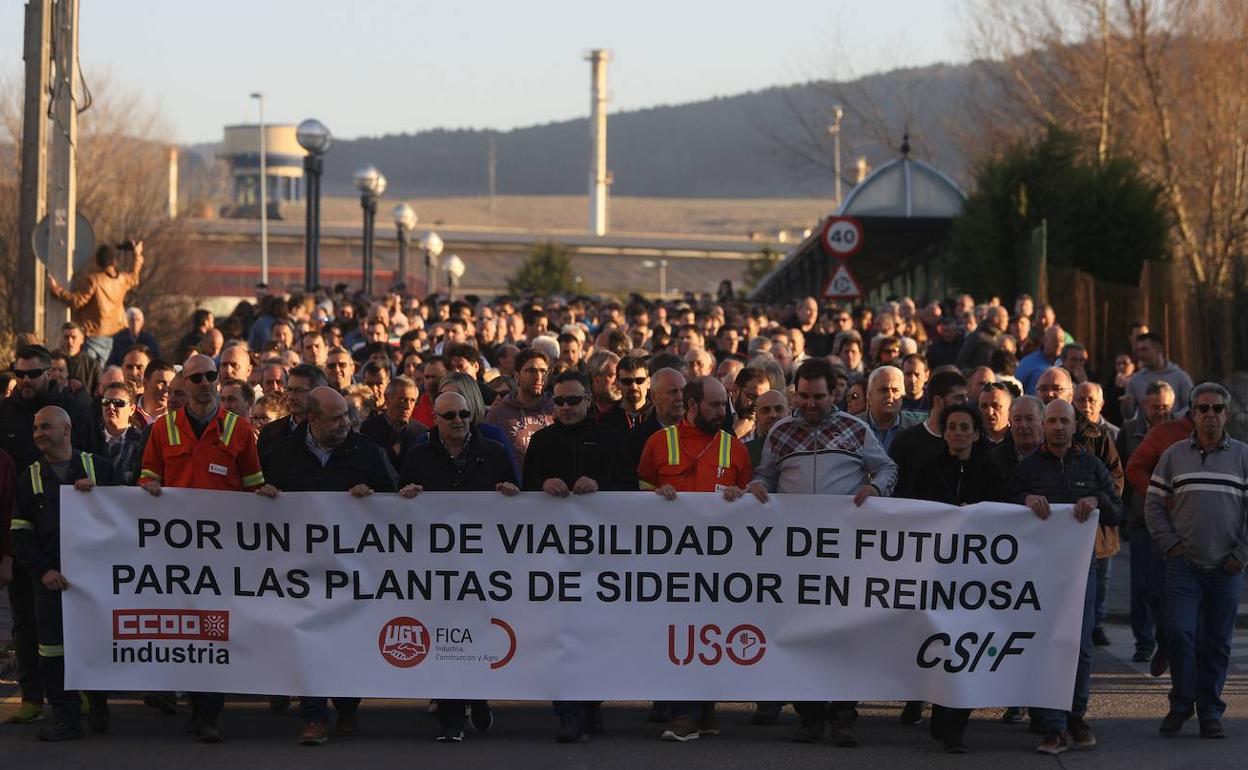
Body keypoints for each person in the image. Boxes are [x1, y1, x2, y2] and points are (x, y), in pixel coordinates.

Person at [733, 358, 898, 748]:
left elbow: (887, 469)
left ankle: (843, 716)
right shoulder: (780, 433)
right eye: (803, 396)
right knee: (798, 633)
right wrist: (758, 485)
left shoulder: (855, 430)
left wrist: (875, 491)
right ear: (795, 393)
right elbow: (766, 475)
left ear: (833, 394)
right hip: (793, 555)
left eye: (818, 397)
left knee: (842, 636)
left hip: (843, 553)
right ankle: (808, 715)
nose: (810, 404)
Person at [138, 354, 270, 742]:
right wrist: (147, 489)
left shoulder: (240, 430)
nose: (204, 382)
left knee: (213, 629)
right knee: (184, 629)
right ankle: (194, 706)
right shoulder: (163, 429)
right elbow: (148, 474)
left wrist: (266, 494)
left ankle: (209, 713)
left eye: (211, 375)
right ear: (185, 382)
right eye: (196, 377)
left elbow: (252, 484)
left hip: (222, 552)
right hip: (176, 552)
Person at [262, 387, 397, 745]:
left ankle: (348, 707)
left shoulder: (367, 450)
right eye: (336, 418)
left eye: (347, 416)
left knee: (348, 639)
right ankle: (314, 716)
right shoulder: (285, 452)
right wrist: (267, 495)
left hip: (354, 569)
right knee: (310, 640)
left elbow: (395, 499)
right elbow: (265, 493)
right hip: (302, 570)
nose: (345, 423)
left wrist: (374, 496)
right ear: (312, 419)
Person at [636, 376, 751, 742]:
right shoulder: (658, 443)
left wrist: (742, 496)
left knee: (711, 636)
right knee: (680, 636)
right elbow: (636, 498)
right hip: (671, 565)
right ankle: (686, 712)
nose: (723, 411)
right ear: (692, 405)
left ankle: (702, 710)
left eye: (725, 404)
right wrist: (657, 495)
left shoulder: (736, 450)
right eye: (715, 405)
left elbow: (754, 508)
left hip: (719, 567)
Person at [398, 390, 519, 742]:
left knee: (478, 633)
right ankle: (450, 719)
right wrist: (405, 494)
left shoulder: (493, 453)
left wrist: (512, 491)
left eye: (464, 415)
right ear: (434, 419)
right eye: (449, 416)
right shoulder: (418, 455)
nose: (458, 422)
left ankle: (477, 697)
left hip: (484, 566)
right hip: (436, 568)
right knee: (446, 638)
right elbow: (397, 498)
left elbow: (519, 497)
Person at [523, 371, 633, 743]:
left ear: (589, 400)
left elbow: (632, 491)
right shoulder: (541, 441)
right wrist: (541, 486)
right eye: (559, 401)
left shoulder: (612, 439)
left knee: (596, 634)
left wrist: (602, 487)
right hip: (556, 561)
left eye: (573, 400)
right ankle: (568, 711)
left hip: (602, 560)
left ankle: (591, 706)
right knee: (562, 635)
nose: (566, 408)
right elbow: (523, 492)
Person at [1012, 400, 1122, 755]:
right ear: (1044, 425)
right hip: (1039, 572)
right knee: (1046, 643)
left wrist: (1097, 499)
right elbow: (1001, 507)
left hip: (1082, 569)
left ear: (1075, 426)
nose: (1058, 427)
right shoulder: (1028, 468)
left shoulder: (1091, 465)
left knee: (1080, 646)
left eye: (1065, 421)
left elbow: (1118, 511)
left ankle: (1076, 716)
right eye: (1053, 421)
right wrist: (1024, 499)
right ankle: (1054, 726)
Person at [1146, 383, 1248, 740]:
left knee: (1217, 643)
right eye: (1203, 409)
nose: (1210, 415)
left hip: (1227, 567)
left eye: (1217, 408)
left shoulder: (1243, 457)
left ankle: (1210, 712)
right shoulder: (1174, 455)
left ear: (1227, 413)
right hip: (1183, 564)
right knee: (1180, 635)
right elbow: (1154, 504)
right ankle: (1181, 703)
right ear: (1192, 414)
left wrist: (1241, 554)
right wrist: (1170, 545)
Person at [10, 405, 117, 740]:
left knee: (96, 646)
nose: (40, 433)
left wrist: (99, 496)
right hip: (51, 583)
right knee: (53, 651)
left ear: (67, 429)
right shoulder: (29, 478)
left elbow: (127, 517)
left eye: (46, 427)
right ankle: (66, 719)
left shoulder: (99, 469)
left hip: (96, 582)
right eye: (36, 428)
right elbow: (19, 533)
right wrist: (43, 571)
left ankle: (99, 706)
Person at [911, 404, 996, 753]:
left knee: (966, 647)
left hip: (976, 575)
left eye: (965, 427)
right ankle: (938, 707)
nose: (958, 432)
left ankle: (956, 722)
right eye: (952, 427)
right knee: (937, 645)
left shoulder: (990, 471)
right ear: (944, 433)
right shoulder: (929, 470)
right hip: (936, 572)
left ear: (977, 433)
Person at [1118, 380, 1176, 665]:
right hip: (1141, 520)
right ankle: (1143, 642)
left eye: (1166, 407)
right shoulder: (1130, 432)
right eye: (1156, 407)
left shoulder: (1184, 433)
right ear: (1144, 406)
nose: (1161, 413)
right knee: (1141, 585)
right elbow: (1123, 473)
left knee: (1167, 586)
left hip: (1176, 521)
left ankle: (1167, 639)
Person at [46, 241, 144, 364]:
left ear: (98, 262)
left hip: (92, 333)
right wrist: (137, 255)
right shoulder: (122, 279)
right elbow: (134, 277)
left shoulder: (94, 280)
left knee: (87, 372)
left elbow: (77, 301)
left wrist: (56, 290)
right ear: (114, 262)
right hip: (112, 334)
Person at [888, 370, 968, 500]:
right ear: (938, 401)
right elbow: (894, 490)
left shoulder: (969, 441)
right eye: (959, 398)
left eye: (966, 398)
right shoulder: (905, 441)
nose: (965, 403)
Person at [482, 348, 554, 467]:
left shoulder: (556, 408)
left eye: (543, 371)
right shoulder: (498, 413)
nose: (538, 377)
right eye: (531, 371)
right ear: (517, 376)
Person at [257, 363, 327, 469]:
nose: (291, 396)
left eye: (299, 391)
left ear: (318, 391)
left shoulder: (333, 429)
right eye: (289, 390)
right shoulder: (270, 433)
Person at [359, 375, 427, 470]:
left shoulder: (421, 432)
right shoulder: (369, 429)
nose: (408, 406)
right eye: (402, 400)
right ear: (387, 399)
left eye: (412, 401)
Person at [625, 368, 687, 466]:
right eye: (672, 392)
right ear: (654, 397)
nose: (680, 397)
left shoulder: (700, 431)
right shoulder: (637, 439)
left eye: (683, 391)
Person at [1126, 332, 1194, 419]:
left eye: (1144, 350)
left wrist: (1173, 417)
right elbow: (1129, 415)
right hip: (1146, 431)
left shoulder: (1180, 377)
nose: (1140, 355)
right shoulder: (1135, 380)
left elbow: (1192, 406)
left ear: (1158, 349)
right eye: (1138, 351)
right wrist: (1126, 407)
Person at [95, 381, 145, 485]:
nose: (111, 407)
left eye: (118, 403)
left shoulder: (142, 440)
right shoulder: (91, 437)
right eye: (106, 402)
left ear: (132, 409)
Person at [863, 365, 909, 452]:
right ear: (869, 396)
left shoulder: (914, 429)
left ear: (902, 397)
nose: (890, 395)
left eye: (895, 390)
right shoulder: (854, 427)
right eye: (883, 390)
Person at [744, 389, 789, 468]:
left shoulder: (802, 447)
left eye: (779, 409)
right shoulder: (746, 452)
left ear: (789, 413)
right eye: (765, 410)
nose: (773, 415)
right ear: (757, 416)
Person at [1016, 324, 1065, 395]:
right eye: (1054, 340)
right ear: (1044, 340)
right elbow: (1017, 388)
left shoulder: (1067, 362)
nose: (1058, 344)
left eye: (1061, 341)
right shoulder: (1028, 362)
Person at [135, 358, 176, 426]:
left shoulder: (177, 417)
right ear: (145, 383)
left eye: (171, 384)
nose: (167, 389)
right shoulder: (127, 411)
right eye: (162, 382)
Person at [978, 381, 1013, 445]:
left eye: (995, 406)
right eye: (984, 406)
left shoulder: (1018, 441)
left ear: (1010, 409)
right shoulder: (972, 443)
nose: (989, 412)